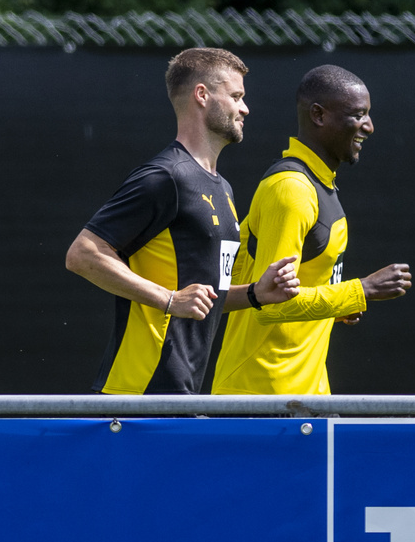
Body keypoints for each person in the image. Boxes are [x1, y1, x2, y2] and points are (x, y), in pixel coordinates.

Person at [66, 48, 299, 395]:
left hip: (180, 393)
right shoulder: (166, 176)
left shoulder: (224, 189)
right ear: (202, 95)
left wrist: (253, 294)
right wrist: (170, 300)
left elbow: (202, 297)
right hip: (136, 395)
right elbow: (82, 254)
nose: (245, 108)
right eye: (236, 96)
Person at [212, 64, 412, 395]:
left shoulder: (318, 185)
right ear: (318, 115)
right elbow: (272, 306)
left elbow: (295, 291)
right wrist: (360, 290)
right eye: (358, 115)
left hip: (302, 400)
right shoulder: (291, 190)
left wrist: (335, 308)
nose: (370, 127)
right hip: (259, 402)